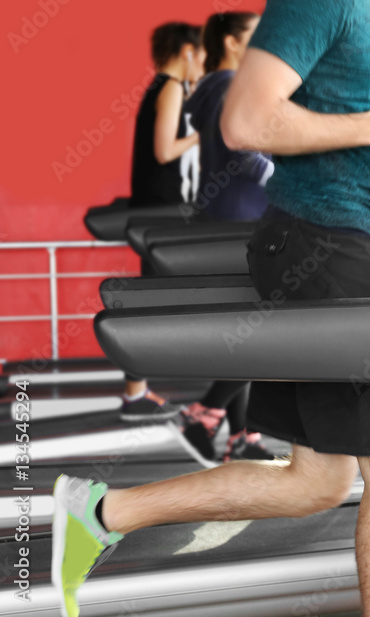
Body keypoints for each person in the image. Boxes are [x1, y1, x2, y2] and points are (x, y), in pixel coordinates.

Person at [53, 2, 370, 617]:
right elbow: (246, 121)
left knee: (318, 479)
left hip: (320, 236)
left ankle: (100, 512)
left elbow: (305, 113)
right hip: (325, 240)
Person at [178, 11, 275, 463]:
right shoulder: (229, 85)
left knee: (247, 331)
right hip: (241, 219)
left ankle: (244, 436)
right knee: (263, 330)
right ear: (234, 43)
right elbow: (246, 152)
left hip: (229, 214)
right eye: (255, 35)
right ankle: (205, 411)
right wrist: (292, 172)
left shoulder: (214, 87)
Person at [120, 22, 204, 422]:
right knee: (150, 302)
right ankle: (135, 394)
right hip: (160, 212)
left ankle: (137, 390)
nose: (203, 64)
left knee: (152, 300)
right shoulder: (170, 87)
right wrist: (207, 133)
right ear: (187, 51)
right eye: (200, 55)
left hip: (159, 209)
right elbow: (165, 149)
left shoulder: (163, 87)